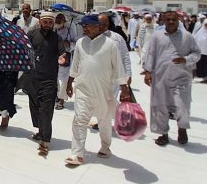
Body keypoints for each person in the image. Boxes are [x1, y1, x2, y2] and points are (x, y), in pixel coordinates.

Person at [64, 15, 129, 167]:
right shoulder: (80, 42)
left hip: (104, 90)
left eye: (88, 25)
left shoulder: (111, 44)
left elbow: (119, 69)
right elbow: (75, 66)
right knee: (79, 120)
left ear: (98, 26)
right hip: (83, 89)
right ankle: (77, 154)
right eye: (83, 25)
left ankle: (105, 147)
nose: (84, 28)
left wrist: (124, 88)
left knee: (104, 121)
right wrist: (69, 83)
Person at [143, 11, 201, 147]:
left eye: (173, 20)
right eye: (168, 20)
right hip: (160, 77)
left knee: (182, 105)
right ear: (163, 20)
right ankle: (163, 134)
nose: (170, 22)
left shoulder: (187, 37)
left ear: (178, 20)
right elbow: (151, 53)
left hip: (181, 78)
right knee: (160, 106)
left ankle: (182, 129)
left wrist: (185, 59)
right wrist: (147, 71)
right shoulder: (157, 36)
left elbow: (197, 53)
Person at [21, 11, 60, 156]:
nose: (48, 25)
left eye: (51, 22)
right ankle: (40, 131)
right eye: (46, 22)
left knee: (46, 109)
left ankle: (45, 140)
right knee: (35, 107)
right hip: (32, 77)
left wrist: (62, 57)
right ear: (40, 22)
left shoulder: (57, 37)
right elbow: (25, 49)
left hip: (49, 79)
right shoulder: (32, 34)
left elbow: (62, 51)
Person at [54, 13, 77, 110]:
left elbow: (76, 44)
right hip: (53, 57)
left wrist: (68, 43)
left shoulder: (69, 30)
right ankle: (56, 96)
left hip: (65, 58)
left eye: (60, 19)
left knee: (64, 81)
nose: (58, 20)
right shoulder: (53, 30)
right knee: (54, 79)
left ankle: (61, 100)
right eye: (57, 18)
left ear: (64, 21)